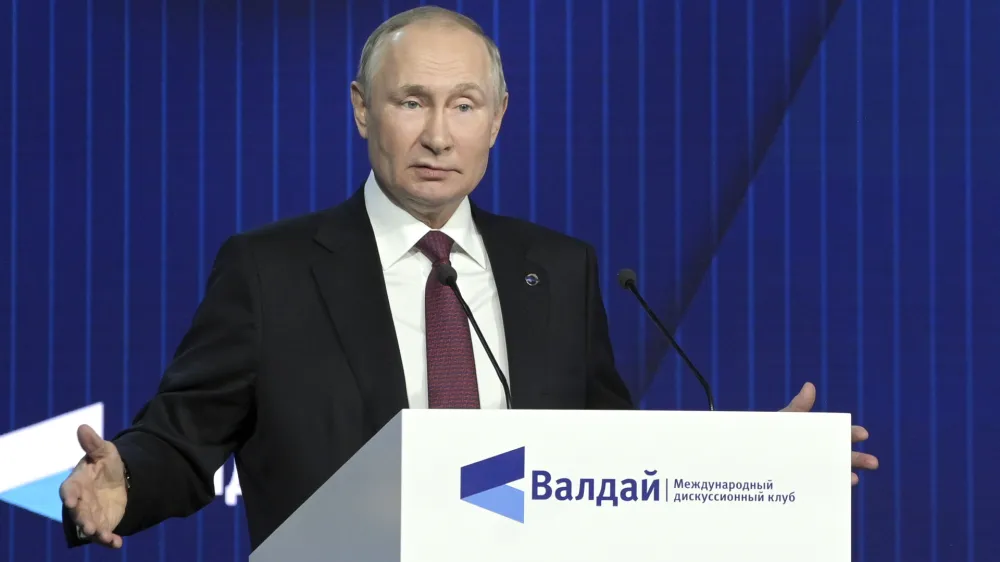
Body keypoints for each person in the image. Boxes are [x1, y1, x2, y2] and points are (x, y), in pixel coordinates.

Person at [58, 5, 879, 552]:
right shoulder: (270, 271)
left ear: (498, 117)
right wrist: (125, 481)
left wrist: (753, 468)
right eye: (412, 101)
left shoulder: (557, 269)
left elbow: (611, 462)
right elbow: (183, 434)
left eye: (463, 104)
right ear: (361, 111)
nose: (438, 135)